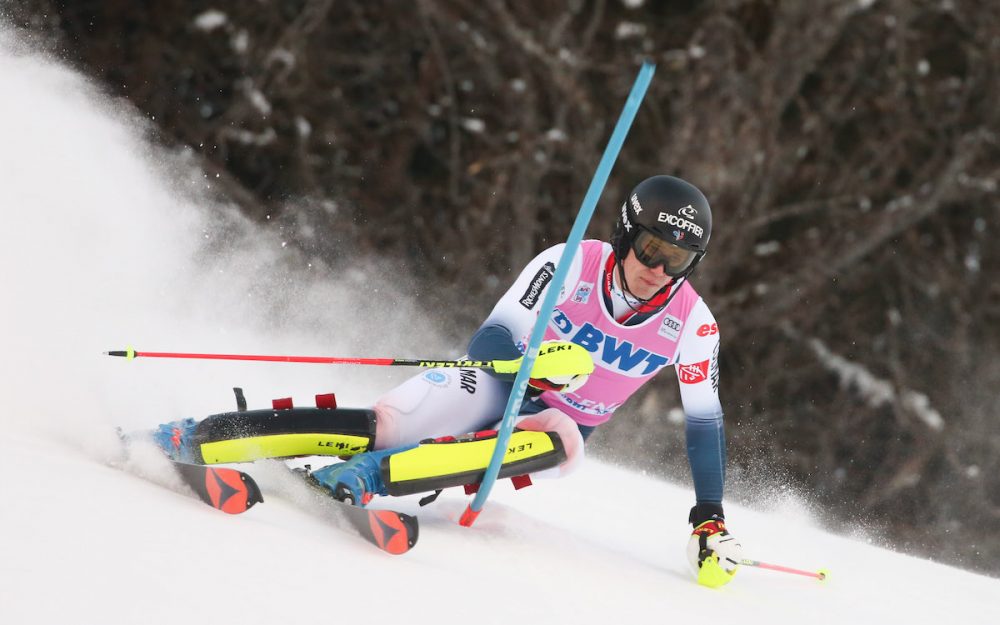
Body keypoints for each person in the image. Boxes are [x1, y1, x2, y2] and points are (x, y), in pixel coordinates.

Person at [154, 175, 742, 587]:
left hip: (553, 419)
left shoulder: (693, 325)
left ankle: (359, 480)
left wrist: (709, 516)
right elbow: (490, 341)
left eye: (677, 261)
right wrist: (531, 364)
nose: (656, 269)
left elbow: (703, 424)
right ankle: (204, 434)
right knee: (395, 425)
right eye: (649, 248)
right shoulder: (569, 265)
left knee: (559, 445)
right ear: (625, 234)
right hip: (500, 381)